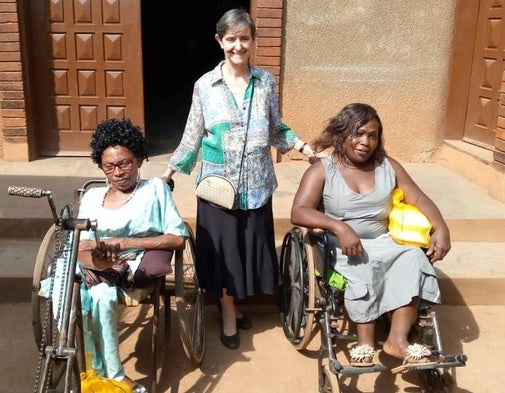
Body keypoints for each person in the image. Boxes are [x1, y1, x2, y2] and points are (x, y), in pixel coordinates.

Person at [161, 8, 316, 349]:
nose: (238, 46)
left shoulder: (265, 82)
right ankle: (229, 314)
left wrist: (305, 148)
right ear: (219, 41)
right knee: (225, 255)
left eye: (244, 38)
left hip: (257, 186)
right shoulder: (205, 85)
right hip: (218, 188)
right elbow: (192, 133)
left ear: (253, 41)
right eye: (231, 39)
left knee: (245, 252)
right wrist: (169, 171)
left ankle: (239, 303)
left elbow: (277, 127)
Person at [290, 103, 451, 372]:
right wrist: (340, 227)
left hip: (384, 240)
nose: (366, 142)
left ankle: (396, 341)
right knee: (360, 264)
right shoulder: (322, 170)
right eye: (358, 134)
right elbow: (299, 211)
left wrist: (441, 228)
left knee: (413, 257)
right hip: (340, 246)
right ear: (341, 135)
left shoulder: (388, 166)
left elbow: (419, 197)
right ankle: (364, 343)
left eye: (372, 135)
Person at [77, 118, 189, 392]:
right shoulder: (91, 197)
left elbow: (177, 238)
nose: (117, 172)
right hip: (88, 264)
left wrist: (124, 242)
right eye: (109, 166)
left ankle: (109, 374)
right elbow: (79, 243)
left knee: (102, 295)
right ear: (101, 167)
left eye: (125, 163)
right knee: (64, 294)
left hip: (128, 264)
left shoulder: (155, 190)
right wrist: (95, 250)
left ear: (139, 159)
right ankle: (83, 366)